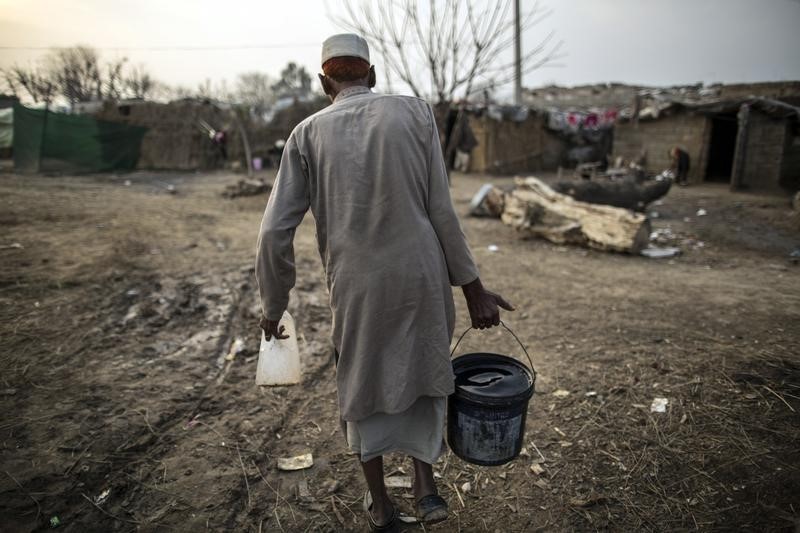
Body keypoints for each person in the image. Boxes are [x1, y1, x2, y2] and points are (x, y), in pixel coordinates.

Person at [254, 34, 513, 532]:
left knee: (361, 380)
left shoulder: (305, 134)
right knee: (424, 369)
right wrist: (473, 286)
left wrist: (273, 303)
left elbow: (272, 231)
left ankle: (380, 504)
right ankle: (426, 487)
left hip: (356, 285)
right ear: (371, 75)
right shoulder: (415, 114)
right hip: (422, 274)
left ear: (323, 81)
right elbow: (441, 209)